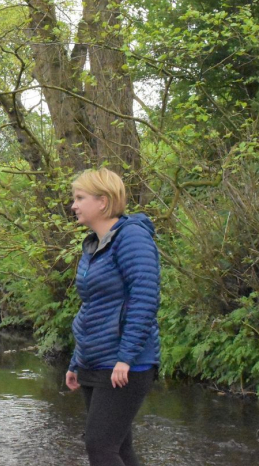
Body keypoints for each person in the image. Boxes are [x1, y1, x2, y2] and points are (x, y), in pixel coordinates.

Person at [64, 168, 161, 466]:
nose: (73, 205)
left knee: (101, 447)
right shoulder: (94, 244)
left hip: (124, 363)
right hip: (95, 360)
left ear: (103, 202)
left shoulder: (131, 238)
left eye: (80, 198)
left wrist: (126, 357)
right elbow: (92, 307)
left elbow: (145, 299)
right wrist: (76, 361)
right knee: (118, 448)